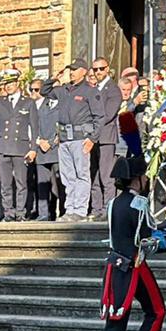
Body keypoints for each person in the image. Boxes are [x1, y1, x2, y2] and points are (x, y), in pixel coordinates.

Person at [90, 114, 166, 331]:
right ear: (138, 179)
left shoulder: (113, 203)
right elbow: (146, 240)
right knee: (157, 310)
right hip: (135, 266)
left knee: (115, 321)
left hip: (115, 265)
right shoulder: (140, 204)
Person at [41, 59, 104, 221]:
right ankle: (70, 209)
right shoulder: (63, 90)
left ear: (84, 71)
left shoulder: (90, 91)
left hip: (80, 138)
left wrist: (92, 139)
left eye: (75, 69)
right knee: (67, 176)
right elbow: (44, 91)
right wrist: (54, 77)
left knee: (81, 175)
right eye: (71, 69)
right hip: (64, 139)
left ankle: (80, 210)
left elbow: (99, 117)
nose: (72, 72)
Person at [0, 69, 38, 222]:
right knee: (5, 184)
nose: (8, 86)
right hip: (3, 147)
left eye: (11, 83)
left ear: (18, 83)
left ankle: (21, 213)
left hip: (20, 147)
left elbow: (35, 127)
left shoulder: (28, 102)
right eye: (6, 83)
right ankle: (9, 213)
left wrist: (33, 149)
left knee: (21, 183)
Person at [90, 57, 123, 220]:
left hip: (105, 137)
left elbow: (107, 114)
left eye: (101, 69)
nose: (98, 72)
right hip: (92, 138)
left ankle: (108, 208)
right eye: (95, 69)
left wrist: (91, 127)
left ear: (107, 68)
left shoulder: (113, 90)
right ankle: (96, 208)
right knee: (94, 175)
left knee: (106, 175)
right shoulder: (94, 89)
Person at [31, 79, 64, 221]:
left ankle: (62, 212)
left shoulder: (63, 106)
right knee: (42, 184)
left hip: (56, 150)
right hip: (41, 150)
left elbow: (63, 128)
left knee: (59, 185)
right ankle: (43, 213)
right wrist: (39, 141)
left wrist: (50, 143)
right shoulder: (40, 106)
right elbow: (33, 127)